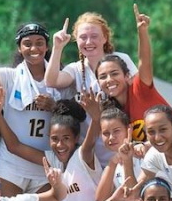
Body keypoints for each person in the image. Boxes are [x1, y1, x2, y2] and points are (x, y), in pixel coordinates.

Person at [0, 8, 68, 195]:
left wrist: (54, 107)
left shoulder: (60, 80)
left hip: (45, 167)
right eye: (27, 44)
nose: (34, 49)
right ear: (19, 48)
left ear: (47, 47)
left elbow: (72, 119)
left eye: (39, 43)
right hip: (11, 166)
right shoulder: (10, 77)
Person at [0, 84, 102, 201]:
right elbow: (14, 146)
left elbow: (91, 140)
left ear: (76, 138)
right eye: (54, 139)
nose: (60, 144)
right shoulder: (52, 159)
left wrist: (95, 118)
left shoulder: (82, 156)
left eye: (66, 138)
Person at [44, 12, 137, 164]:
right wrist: (58, 48)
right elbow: (51, 81)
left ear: (104, 38)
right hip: (93, 156)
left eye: (94, 36)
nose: (88, 42)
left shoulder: (121, 59)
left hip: (124, 151)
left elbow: (139, 92)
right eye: (83, 37)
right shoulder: (76, 69)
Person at [93, 5, 172, 142]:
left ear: (127, 76)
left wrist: (142, 32)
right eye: (102, 77)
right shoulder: (113, 112)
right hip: (159, 160)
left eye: (114, 73)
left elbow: (144, 60)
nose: (109, 80)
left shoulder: (139, 88)